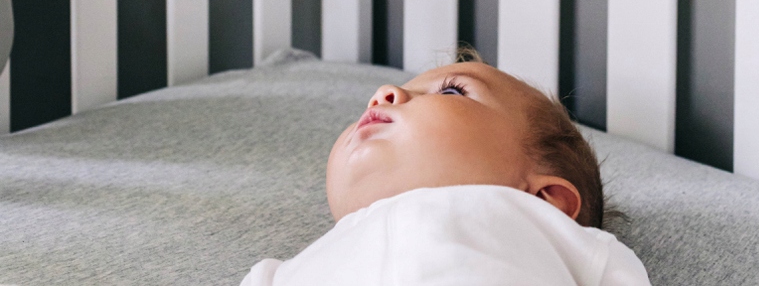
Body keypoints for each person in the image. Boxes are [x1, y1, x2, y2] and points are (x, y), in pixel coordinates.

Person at [241, 58, 651, 285]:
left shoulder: (554, 237)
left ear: (547, 201)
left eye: (452, 90)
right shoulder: (290, 269)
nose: (383, 94)